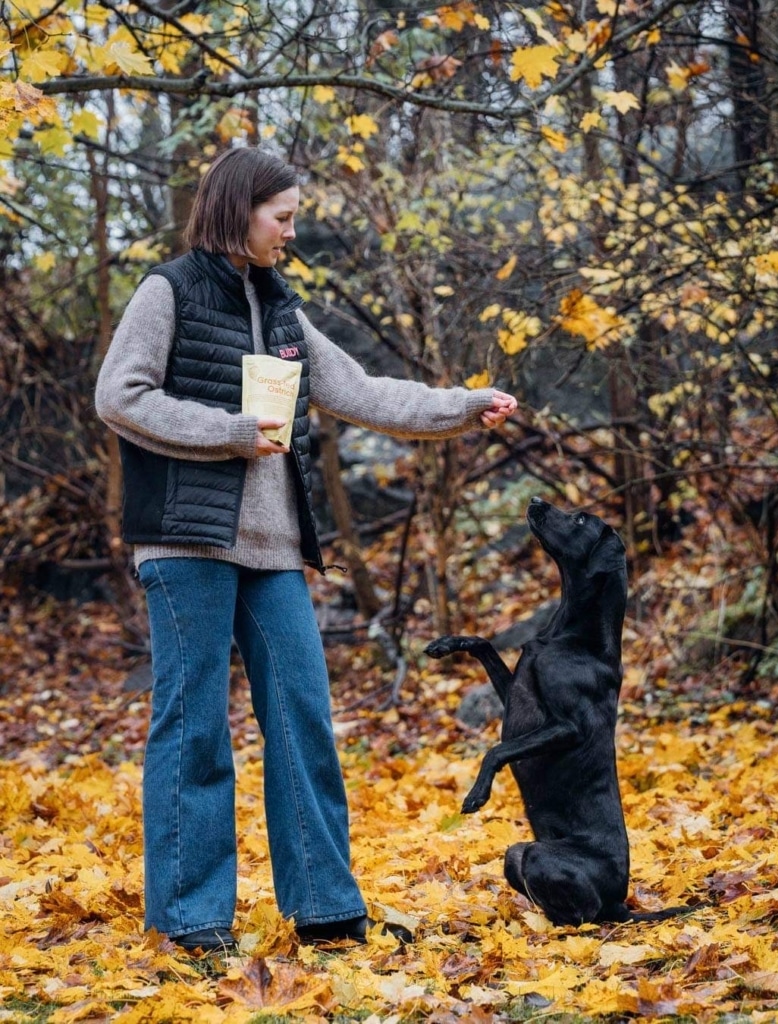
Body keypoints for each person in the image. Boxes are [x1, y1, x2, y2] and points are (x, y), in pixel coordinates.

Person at [95, 146, 518, 954]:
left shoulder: (281, 306)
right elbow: (120, 395)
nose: (292, 232)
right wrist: (226, 432)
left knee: (303, 721)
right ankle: (190, 923)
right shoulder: (167, 290)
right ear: (238, 211)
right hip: (185, 542)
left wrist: (464, 405)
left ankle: (326, 908)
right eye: (282, 217)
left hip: (275, 550)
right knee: (193, 730)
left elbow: (359, 391)